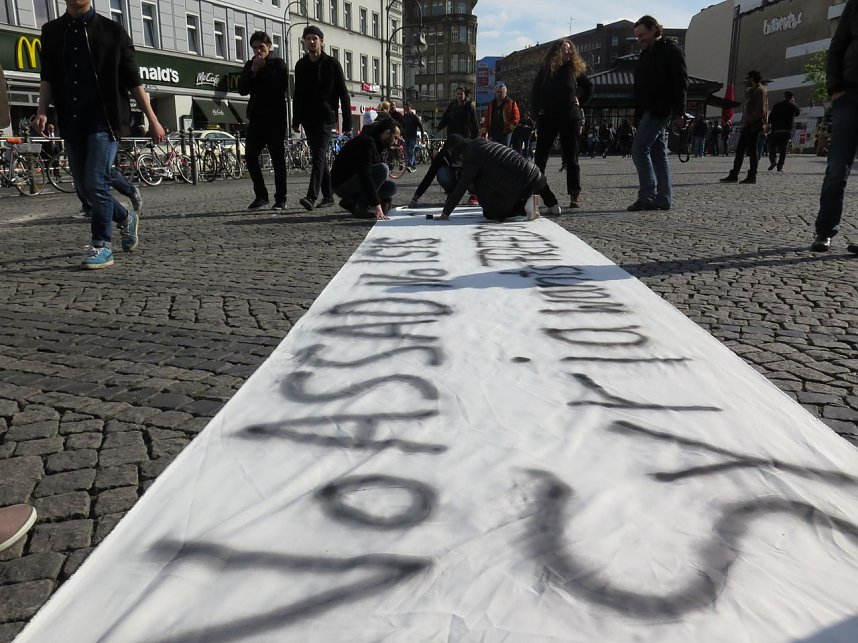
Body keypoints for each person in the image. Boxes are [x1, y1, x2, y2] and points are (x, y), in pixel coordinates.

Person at [36, 0, 165, 269]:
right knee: (85, 189)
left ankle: (101, 245)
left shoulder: (113, 31)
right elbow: (47, 76)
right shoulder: (51, 31)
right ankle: (126, 217)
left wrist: (153, 120)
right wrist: (42, 111)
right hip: (71, 121)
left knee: (95, 183)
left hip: (104, 121)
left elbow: (133, 81)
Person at [812, 0, 858, 255]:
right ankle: (824, 231)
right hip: (850, 94)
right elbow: (836, 48)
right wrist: (834, 88)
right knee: (837, 168)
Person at [628, 15, 688, 212]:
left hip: (659, 110)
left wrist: (680, 113)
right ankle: (664, 198)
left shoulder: (671, 51)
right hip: (648, 109)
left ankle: (647, 196)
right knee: (657, 153)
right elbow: (639, 87)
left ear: (654, 29)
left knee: (639, 149)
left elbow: (681, 83)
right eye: (637, 37)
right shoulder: (646, 54)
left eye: (642, 35)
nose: (640, 40)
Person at [292, 25, 351, 212]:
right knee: (320, 157)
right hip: (308, 118)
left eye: (314, 38)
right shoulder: (301, 66)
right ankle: (328, 196)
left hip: (326, 117)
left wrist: (348, 121)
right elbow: (298, 94)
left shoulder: (332, 64)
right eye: (308, 38)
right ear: (304, 42)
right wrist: (296, 119)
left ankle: (311, 196)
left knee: (318, 155)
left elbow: (343, 93)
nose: (311, 41)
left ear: (321, 41)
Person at [436, 137, 561, 221]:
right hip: (534, 173)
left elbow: (461, 187)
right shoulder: (481, 142)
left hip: (518, 184)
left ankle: (525, 206)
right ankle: (554, 205)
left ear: (461, 157)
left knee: (491, 213)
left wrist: (445, 213)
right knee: (536, 178)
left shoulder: (471, 159)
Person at [531, 38, 592, 209]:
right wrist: (537, 113)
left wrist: (580, 99)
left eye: (570, 49)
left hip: (569, 117)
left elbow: (589, 87)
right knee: (540, 156)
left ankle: (574, 194)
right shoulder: (546, 70)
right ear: (557, 51)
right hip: (548, 117)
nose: (568, 52)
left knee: (571, 157)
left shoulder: (574, 70)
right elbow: (535, 93)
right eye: (565, 49)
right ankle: (535, 190)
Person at [238, 31, 288, 211]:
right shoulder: (250, 65)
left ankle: (280, 198)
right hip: (256, 120)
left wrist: (263, 69)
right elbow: (242, 89)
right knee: (250, 157)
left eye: (262, 47)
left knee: (277, 160)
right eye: (255, 47)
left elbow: (278, 87)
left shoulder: (278, 64)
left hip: (275, 120)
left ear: (269, 47)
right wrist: (253, 71)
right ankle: (261, 196)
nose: (258, 51)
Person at [331, 118, 398, 221]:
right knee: (383, 169)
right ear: (388, 133)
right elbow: (365, 174)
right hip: (342, 183)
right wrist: (377, 204)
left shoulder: (378, 143)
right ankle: (360, 206)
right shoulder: (367, 141)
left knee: (391, 187)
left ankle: (351, 201)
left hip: (354, 180)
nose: (396, 141)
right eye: (395, 137)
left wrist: (385, 199)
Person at [720, 70, 768, 185]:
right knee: (741, 149)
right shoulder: (754, 91)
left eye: (748, 78)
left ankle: (751, 175)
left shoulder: (760, 91)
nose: (746, 81)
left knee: (751, 150)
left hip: (753, 125)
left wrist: (748, 121)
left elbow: (760, 110)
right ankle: (734, 174)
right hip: (749, 124)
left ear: (752, 78)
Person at [408, 134, 467, 205]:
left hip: (469, 177)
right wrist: (415, 198)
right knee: (443, 174)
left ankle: (475, 195)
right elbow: (429, 176)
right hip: (454, 178)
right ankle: (451, 195)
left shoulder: (471, 150)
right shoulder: (442, 156)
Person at [767, 90, 800, 172]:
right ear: (791, 98)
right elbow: (797, 113)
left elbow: (770, 117)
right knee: (783, 149)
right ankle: (780, 166)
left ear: (784, 97)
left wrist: (768, 125)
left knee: (771, 146)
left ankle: (773, 161)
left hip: (776, 130)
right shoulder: (792, 106)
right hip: (787, 130)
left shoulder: (777, 105)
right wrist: (793, 103)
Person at [483, 82, 520, 146]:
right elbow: (487, 119)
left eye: (501, 92)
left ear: (505, 93)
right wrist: (484, 132)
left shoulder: (511, 103)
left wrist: (509, 129)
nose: (499, 94)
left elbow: (516, 118)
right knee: (494, 151)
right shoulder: (491, 104)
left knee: (504, 151)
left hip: (505, 133)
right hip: (494, 133)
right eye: (497, 92)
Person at [400, 101, 424, 172]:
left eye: (408, 107)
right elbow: (402, 127)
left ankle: (410, 166)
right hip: (405, 137)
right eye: (405, 107)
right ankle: (413, 166)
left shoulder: (415, 117)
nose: (407, 108)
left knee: (410, 151)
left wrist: (422, 138)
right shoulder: (404, 117)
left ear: (410, 107)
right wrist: (401, 135)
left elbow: (421, 127)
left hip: (413, 137)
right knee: (407, 152)